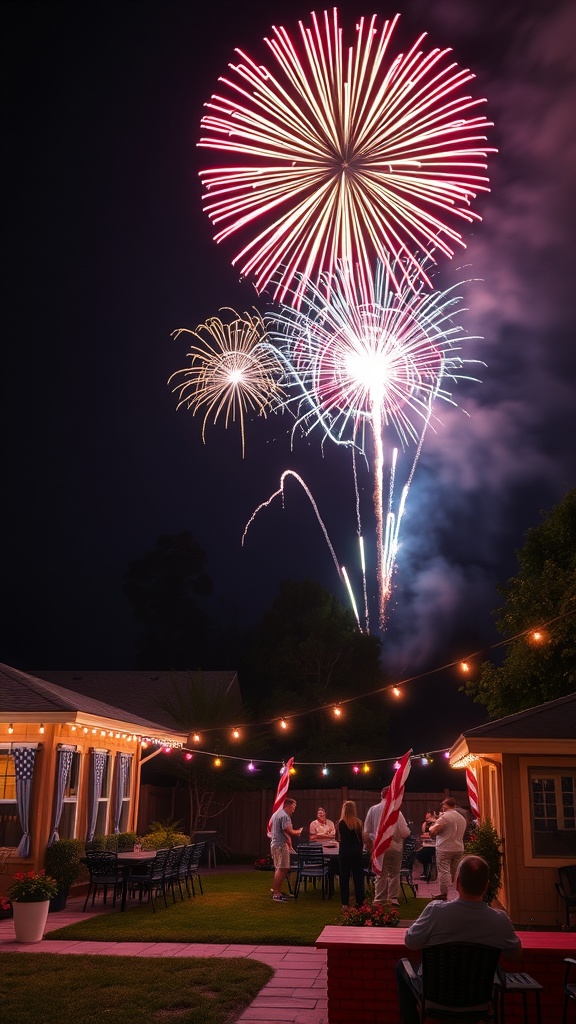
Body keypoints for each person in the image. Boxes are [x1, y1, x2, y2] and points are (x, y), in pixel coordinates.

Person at [396, 855, 521, 1024]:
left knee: (401, 967)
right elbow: (514, 954)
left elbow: (411, 942)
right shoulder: (500, 921)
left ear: (457, 882)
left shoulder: (436, 912)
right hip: (480, 1004)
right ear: (486, 886)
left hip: (435, 1001)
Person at [363, 785, 410, 904]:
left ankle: (379, 899)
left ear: (381, 795)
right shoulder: (396, 811)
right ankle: (393, 898)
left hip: (379, 846)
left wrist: (375, 840)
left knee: (380, 873)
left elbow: (367, 831)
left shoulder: (373, 809)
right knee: (394, 873)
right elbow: (404, 832)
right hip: (395, 846)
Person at [428, 796, 466, 900]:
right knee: (457, 872)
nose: (442, 807)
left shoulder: (444, 818)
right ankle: (461, 893)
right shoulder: (461, 818)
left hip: (445, 848)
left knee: (444, 871)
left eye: (443, 805)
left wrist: (431, 827)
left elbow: (433, 831)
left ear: (446, 805)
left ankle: (443, 894)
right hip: (459, 847)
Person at [269, 797, 303, 903]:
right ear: (289, 805)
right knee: (283, 868)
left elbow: (284, 832)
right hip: (280, 845)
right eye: (294, 805)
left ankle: (276, 890)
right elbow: (290, 831)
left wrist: (289, 841)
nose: (295, 808)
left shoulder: (277, 814)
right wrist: (299, 831)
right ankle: (277, 894)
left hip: (275, 844)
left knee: (279, 868)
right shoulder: (284, 816)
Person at [336, 800, 365, 908]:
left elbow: (338, 839)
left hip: (344, 851)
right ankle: (360, 901)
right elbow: (361, 839)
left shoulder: (340, 823)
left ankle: (344, 902)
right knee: (358, 877)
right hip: (356, 851)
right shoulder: (358, 823)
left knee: (344, 877)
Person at [415, 810, 438, 883]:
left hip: (434, 845)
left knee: (425, 854)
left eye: (428, 816)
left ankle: (428, 872)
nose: (427, 818)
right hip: (426, 844)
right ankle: (426, 869)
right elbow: (424, 834)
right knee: (418, 854)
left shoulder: (437, 822)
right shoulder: (425, 824)